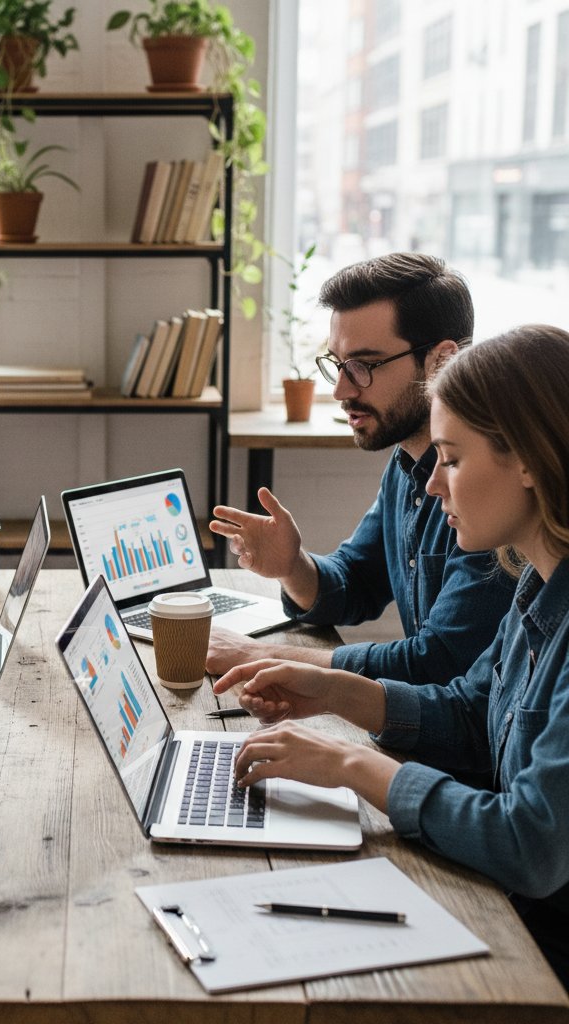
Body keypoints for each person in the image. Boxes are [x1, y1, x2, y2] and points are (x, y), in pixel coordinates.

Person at [224, 325, 569, 985]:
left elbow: (529, 846)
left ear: (527, 458)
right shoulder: (537, 580)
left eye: (453, 459)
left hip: (543, 955)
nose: (434, 486)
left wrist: (350, 764)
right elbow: (473, 712)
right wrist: (332, 693)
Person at [208, 252, 515, 685]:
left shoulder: (490, 489)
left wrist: (261, 655)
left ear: (442, 360)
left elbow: (440, 662)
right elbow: (356, 583)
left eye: (364, 366)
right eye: (338, 363)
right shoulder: (406, 460)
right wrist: (292, 566)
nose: (340, 390)